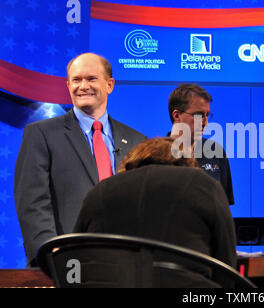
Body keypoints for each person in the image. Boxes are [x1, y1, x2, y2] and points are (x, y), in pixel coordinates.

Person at [15, 53, 146, 266]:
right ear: (68, 86)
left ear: (110, 85)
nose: (83, 86)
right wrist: (49, 253)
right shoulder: (41, 134)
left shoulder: (136, 140)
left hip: (124, 262)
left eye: (91, 79)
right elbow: (33, 202)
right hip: (65, 261)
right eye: (76, 80)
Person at [73, 137, 237, 287]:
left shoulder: (99, 191)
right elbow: (227, 267)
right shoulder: (206, 186)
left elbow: (73, 260)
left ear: (132, 161)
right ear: (186, 162)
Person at [168, 83, 234, 205]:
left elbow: (223, 208)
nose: (205, 123)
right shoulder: (155, 155)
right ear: (176, 115)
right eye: (198, 115)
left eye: (207, 115)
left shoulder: (217, 152)